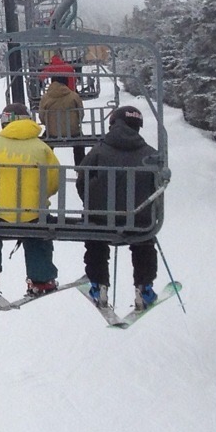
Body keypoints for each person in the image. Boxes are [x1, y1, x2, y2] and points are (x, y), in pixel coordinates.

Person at [0, 101, 62, 296]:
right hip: (32, 214)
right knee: (38, 234)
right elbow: (54, 182)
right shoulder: (43, 149)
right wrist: (39, 196)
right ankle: (41, 279)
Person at [79, 104, 165, 309]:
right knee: (144, 242)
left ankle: (98, 286)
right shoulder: (150, 154)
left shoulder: (99, 150)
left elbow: (82, 178)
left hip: (100, 217)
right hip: (139, 219)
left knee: (95, 240)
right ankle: (144, 288)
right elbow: (158, 186)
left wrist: (90, 202)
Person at [37, 63, 84, 154]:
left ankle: (47, 160)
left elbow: (41, 116)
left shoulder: (45, 98)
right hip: (73, 132)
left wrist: (48, 124)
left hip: (52, 132)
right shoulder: (74, 96)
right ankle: (80, 161)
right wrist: (76, 123)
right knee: (80, 144)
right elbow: (80, 113)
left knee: (45, 146)